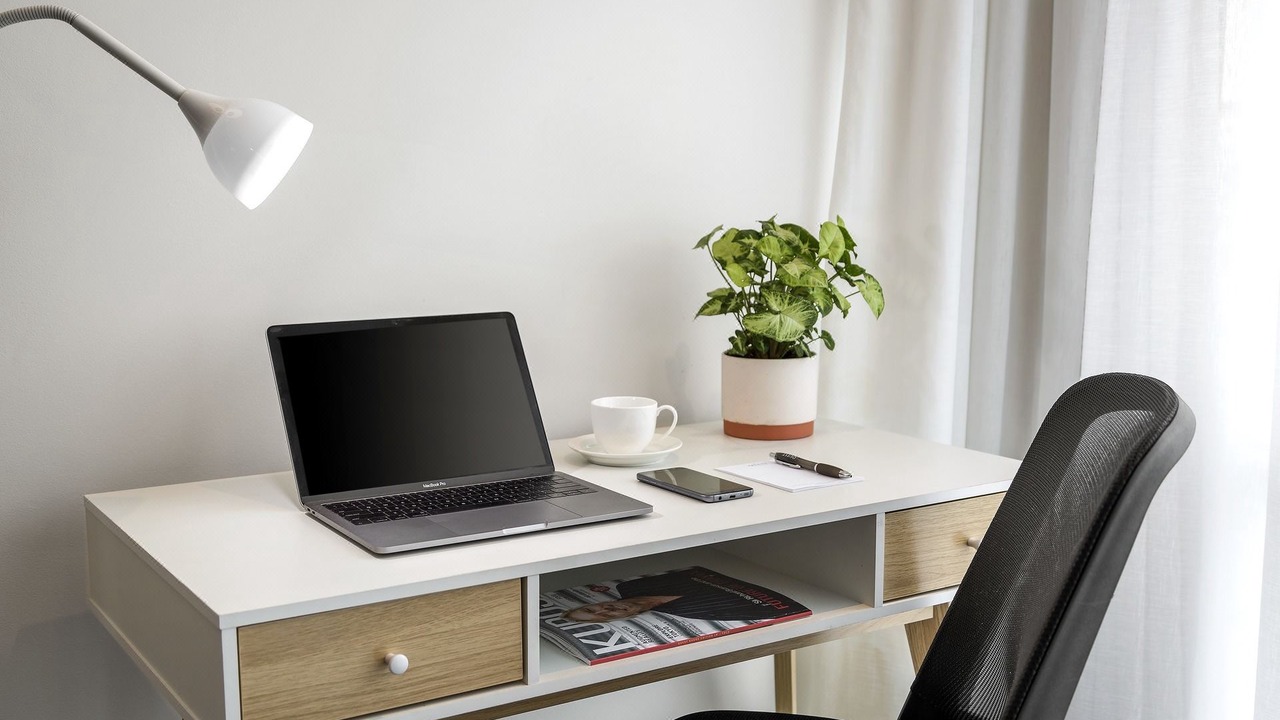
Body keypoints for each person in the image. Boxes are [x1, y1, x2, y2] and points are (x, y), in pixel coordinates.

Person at [561, 566, 803, 623]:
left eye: (592, 608)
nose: (605, 610)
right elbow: (762, 610)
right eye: (600, 617)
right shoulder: (693, 615)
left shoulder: (631, 587)